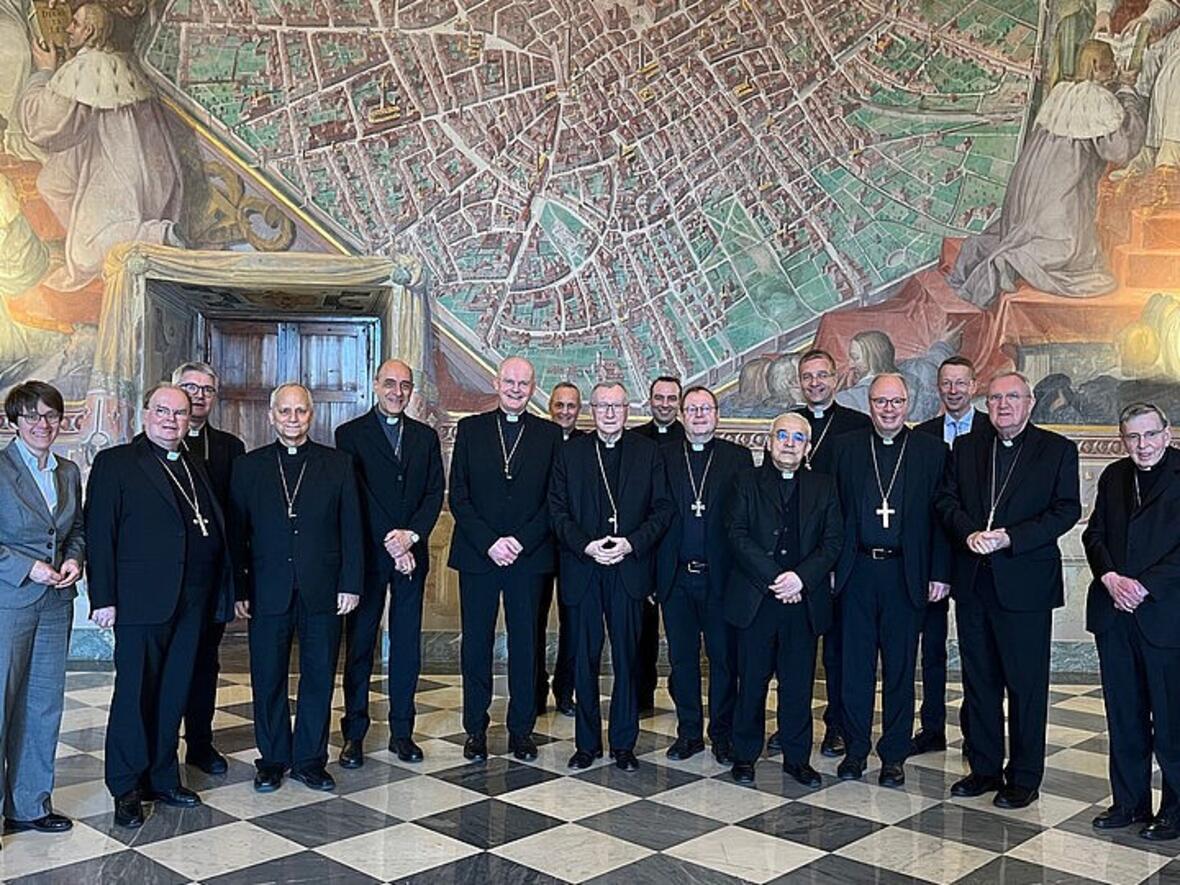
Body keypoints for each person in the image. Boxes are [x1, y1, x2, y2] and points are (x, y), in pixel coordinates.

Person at [85, 383, 234, 828]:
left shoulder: (193, 463)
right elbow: (100, 533)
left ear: (190, 420)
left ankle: (163, 776)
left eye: (180, 413)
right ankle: (127, 785)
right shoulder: (116, 462)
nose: (171, 420)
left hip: (192, 600)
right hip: (140, 601)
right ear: (145, 413)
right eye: (163, 411)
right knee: (135, 693)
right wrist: (103, 597)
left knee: (174, 690)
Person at [935, 372, 1081, 809]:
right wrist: (969, 533)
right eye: (996, 398)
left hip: (1025, 584)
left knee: (1025, 686)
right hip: (974, 582)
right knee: (979, 681)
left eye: (1012, 397)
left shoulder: (1056, 449)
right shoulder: (967, 447)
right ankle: (984, 769)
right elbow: (946, 501)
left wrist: (1009, 538)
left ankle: (1023, 776)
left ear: (1030, 402)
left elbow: (1066, 510)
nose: (1003, 405)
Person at [230, 384, 362, 793]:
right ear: (272, 416)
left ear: (311, 415)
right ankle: (272, 759)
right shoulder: (248, 467)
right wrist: (239, 588)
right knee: (267, 676)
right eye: (285, 411)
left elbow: (352, 529)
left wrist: (350, 584)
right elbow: (236, 536)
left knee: (319, 675)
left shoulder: (337, 464)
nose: (293, 418)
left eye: (300, 411)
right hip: (267, 589)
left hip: (322, 588)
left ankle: (309, 759)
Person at [948, 40, 1145, 307]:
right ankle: (1010, 262)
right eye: (1110, 66)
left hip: (1031, 194)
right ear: (1097, 66)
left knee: (1030, 234)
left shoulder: (1062, 91)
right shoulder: (1096, 98)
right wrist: (1128, 93)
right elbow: (1120, 149)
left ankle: (1007, 256)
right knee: (1070, 253)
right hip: (1063, 193)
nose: (1114, 71)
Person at [830, 374, 950, 786]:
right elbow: (831, 511)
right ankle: (855, 750)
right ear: (869, 403)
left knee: (900, 669)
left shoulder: (932, 451)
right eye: (881, 401)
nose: (889, 409)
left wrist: (939, 572)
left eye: (896, 401)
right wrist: (831, 567)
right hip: (857, 572)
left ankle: (894, 754)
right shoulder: (846, 448)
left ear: (908, 404)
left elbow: (942, 518)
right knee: (855, 668)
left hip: (906, 573)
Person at [18, 2, 184, 292]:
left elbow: (41, 125)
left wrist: (44, 72)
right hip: (143, 164)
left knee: (86, 253)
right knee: (51, 182)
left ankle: (157, 235)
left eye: (76, 23)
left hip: (117, 167)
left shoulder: (88, 66)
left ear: (90, 31)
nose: (68, 28)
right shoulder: (117, 59)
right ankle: (90, 235)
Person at [549, 381, 673, 771]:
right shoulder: (570, 453)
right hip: (584, 567)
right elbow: (556, 510)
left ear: (627, 410)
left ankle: (623, 744)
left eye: (616, 406)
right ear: (592, 409)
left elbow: (663, 509)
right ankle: (586, 745)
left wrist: (631, 544)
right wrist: (585, 545)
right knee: (583, 660)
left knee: (627, 660)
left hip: (628, 569)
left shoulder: (647, 452)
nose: (609, 413)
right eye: (602, 406)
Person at [448, 357, 561, 762]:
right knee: (476, 645)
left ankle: (521, 730)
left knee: (526, 645)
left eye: (523, 383)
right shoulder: (471, 429)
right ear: (496, 383)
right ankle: (475, 729)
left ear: (533, 388)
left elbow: (554, 499)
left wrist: (519, 542)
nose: (515, 389)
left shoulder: (549, 434)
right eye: (509, 381)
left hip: (528, 558)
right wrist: (490, 543)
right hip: (479, 555)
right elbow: (458, 495)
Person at [336, 359, 443, 767]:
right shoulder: (350, 434)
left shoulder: (425, 437)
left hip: (413, 556)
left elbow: (434, 492)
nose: (398, 392)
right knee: (360, 645)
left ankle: (402, 732)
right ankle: (354, 734)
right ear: (375, 384)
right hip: (368, 558)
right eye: (390, 384)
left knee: (406, 646)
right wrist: (393, 542)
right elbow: (356, 494)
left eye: (405, 386)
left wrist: (411, 537)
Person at [727, 413, 842, 786]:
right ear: (768, 442)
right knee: (752, 684)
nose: (789, 443)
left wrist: (800, 579)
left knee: (798, 686)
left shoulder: (824, 486)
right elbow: (737, 534)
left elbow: (832, 542)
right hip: (757, 600)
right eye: (782, 436)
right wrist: (776, 578)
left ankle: (797, 759)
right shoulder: (746, 481)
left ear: (808, 447)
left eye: (797, 438)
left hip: (802, 604)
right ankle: (744, 756)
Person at [1083, 402, 1180, 842]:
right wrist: (1109, 577)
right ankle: (1129, 803)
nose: (1143, 445)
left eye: (1150, 435)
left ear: (1167, 433)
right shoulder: (1114, 476)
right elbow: (1094, 534)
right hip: (1115, 614)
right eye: (1133, 437)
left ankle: (1175, 811)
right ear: (1123, 440)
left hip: (1165, 617)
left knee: (1172, 721)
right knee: (1124, 716)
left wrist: (1143, 585)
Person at [0, 381, 83, 838]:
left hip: (55, 604)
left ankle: (28, 804)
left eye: (50, 415)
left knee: (42, 705)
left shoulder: (67, 471)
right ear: (14, 421)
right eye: (31, 416)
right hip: (8, 600)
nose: (42, 424)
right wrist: (26, 567)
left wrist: (74, 559)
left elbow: (76, 529)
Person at [655, 386, 752, 764]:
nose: (698, 415)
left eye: (706, 409)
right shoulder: (663, 456)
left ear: (717, 415)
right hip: (677, 577)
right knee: (682, 661)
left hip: (721, 579)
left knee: (724, 660)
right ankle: (689, 733)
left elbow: (747, 518)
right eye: (692, 409)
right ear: (681, 415)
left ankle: (722, 735)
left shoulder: (737, 458)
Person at [789, 348, 870, 759]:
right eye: (808, 376)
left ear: (835, 378)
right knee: (792, 650)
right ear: (799, 382)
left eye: (822, 375)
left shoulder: (857, 426)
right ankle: (791, 724)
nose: (815, 383)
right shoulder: (789, 422)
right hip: (793, 560)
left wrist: (841, 562)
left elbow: (859, 499)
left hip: (838, 557)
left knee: (838, 652)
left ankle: (837, 725)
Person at [170, 361, 244, 776]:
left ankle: (200, 742)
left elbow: (238, 514)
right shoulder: (156, 443)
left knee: (204, 662)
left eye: (206, 390)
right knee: (168, 664)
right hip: (168, 578)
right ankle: (161, 746)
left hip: (213, 575)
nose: (198, 396)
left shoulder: (230, 447)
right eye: (190, 387)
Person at [912, 355, 984, 755]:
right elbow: (926, 507)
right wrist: (935, 567)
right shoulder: (922, 435)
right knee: (933, 649)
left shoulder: (992, 429)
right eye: (946, 383)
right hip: (934, 559)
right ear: (938, 387)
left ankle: (977, 734)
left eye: (961, 383)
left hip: (980, 559)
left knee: (977, 651)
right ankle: (932, 728)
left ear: (974, 386)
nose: (953, 390)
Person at [631, 375, 684, 712]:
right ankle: (641, 697)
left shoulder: (689, 438)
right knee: (642, 631)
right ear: (649, 401)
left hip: (680, 551)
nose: (665, 404)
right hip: (644, 550)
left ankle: (682, 697)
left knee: (681, 634)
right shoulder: (635, 440)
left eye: (671, 398)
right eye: (659, 398)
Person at [537, 381, 582, 717]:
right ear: (549, 406)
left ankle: (565, 692)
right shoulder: (535, 440)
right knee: (533, 623)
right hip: (538, 547)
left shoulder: (586, 445)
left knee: (574, 625)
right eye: (559, 405)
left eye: (571, 406)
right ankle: (535, 691)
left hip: (573, 550)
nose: (564, 412)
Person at [1098, 0, 1180, 176]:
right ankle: (1149, 148)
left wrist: (1150, 18)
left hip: (1173, 34)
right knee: (1147, 60)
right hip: (1165, 34)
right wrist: (1104, 12)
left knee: (1176, 70)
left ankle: (1170, 152)